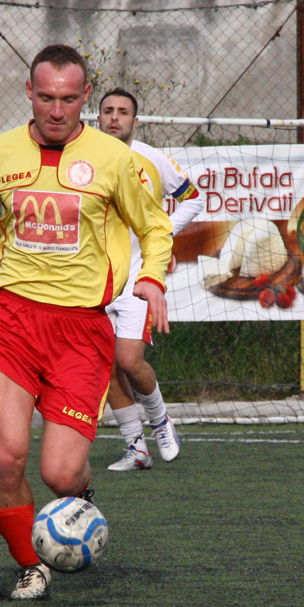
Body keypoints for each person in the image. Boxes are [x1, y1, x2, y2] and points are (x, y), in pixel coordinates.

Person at [0, 45, 173, 600]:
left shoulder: (113, 159)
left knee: (60, 474)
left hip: (80, 331)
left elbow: (155, 227)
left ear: (85, 98)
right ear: (29, 93)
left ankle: (80, 498)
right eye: (46, 97)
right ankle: (30, 565)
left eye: (69, 99)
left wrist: (154, 279)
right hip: (12, 320)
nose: (56, 109)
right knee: (5, 455)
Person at [97, 88, 205, 472]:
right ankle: (135, 448)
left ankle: (160, 422)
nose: (114, 118)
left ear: (135, 121)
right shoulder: (84, 158)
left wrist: (158, 232)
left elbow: (193, 198)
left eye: (123, 112)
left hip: (136, 277)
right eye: (107, 111)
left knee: (129, 360)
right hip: (93, 278)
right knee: (105, 367)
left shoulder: (153, 158)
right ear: (97, 118)